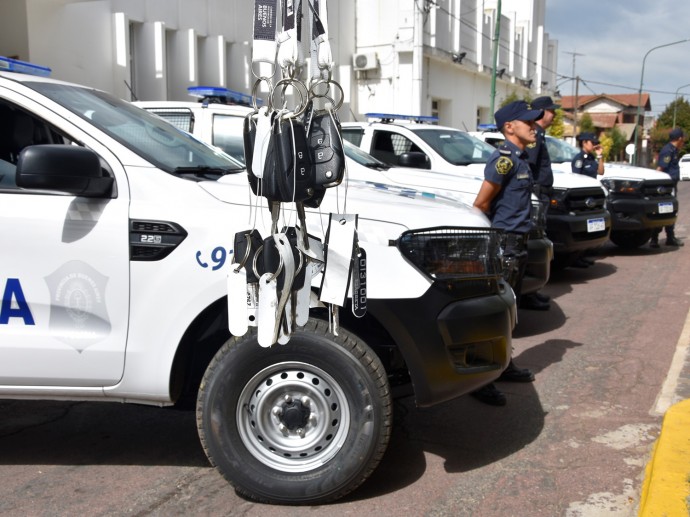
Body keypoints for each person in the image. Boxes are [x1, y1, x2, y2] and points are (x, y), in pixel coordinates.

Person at [471, 100, 542, 406]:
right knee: (495, 314)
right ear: (510, 127)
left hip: (519, 243)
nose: (535, 126)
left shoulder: (521, 158)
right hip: (506, 244)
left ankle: (504, 364)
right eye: (529, 122)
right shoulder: (504, 160)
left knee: (509, 313)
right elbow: (481, 204)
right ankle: (481, 379)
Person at [521, 95, 560, 310]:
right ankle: (529, 293)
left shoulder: (539, 133)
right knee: (535, 242)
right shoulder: (534, 134)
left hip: (542, 192)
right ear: (542, 112)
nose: (554, 114)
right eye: (551, 110)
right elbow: (530, 166)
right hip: (537, 193)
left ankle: (532, 291)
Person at [650, 128, 686, 248]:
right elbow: (660, 169)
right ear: (679, 138)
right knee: (663, 211)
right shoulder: (668, 151)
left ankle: (670, 237)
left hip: (671, 186)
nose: (684, 140)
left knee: (671, 211)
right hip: (666, 188)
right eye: (683, 138)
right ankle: (654, 239)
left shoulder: (674, 150)